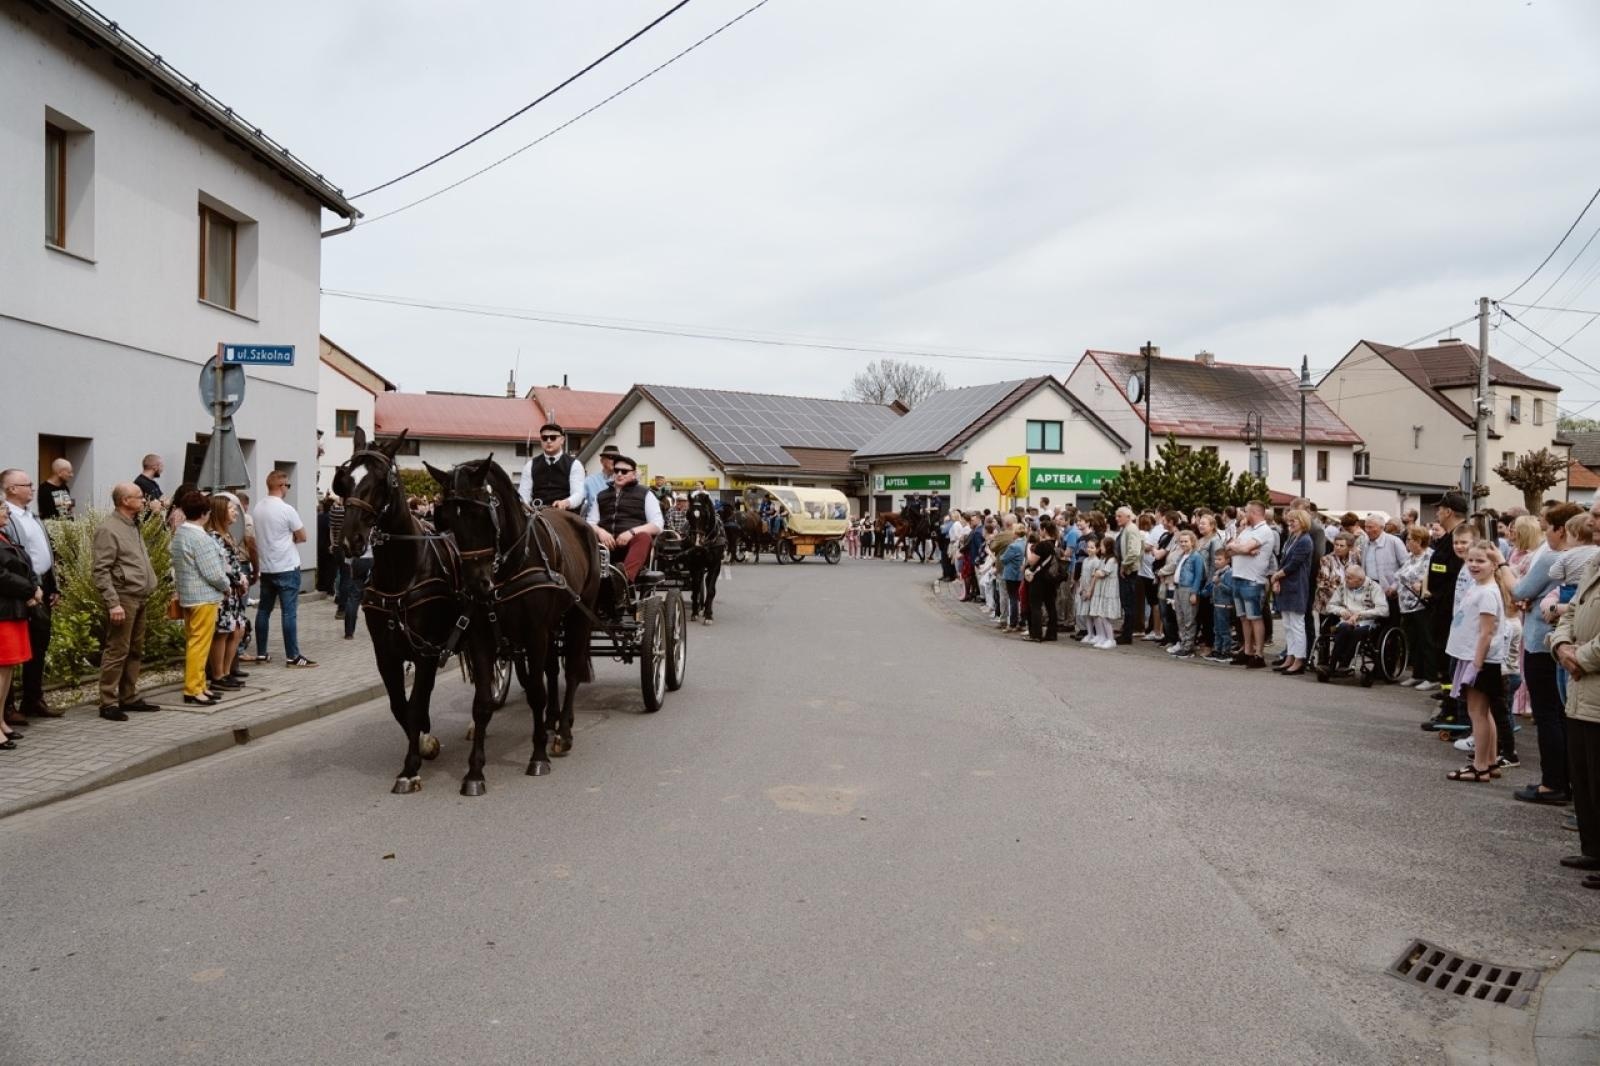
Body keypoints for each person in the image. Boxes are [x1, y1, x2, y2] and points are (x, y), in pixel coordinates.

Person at [1512, 502, 1582, 803]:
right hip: (1561, 639)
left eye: (1546, 527)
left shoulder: (1555, 557)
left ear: (1560, 529)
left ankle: (1552, 782)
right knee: (1560, 714)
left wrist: (1502, 567)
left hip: (1543, 641)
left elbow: (1520, 590)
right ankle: (1565, 779)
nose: (1544, 532)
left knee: (1547, 714)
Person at [1549, 532, 1600, 887]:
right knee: (1584, 778)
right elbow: (1571, 613)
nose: (1592, 524)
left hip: (1592, 681)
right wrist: (1562, 646)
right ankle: (1593, 848)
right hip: (1581, 689)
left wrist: (1579, 657)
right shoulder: (1594, 562)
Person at [91, 483, 162, 721]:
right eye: (139, 497)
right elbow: (101, 570)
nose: (143, 501)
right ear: (124, 501)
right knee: (117, 649)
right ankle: (108, 701)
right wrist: (113, 603)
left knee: (135, 649)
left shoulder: (132, 525)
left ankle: (128, 695)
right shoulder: (109, 529)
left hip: (139, 595)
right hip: (124, 597)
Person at [1444, 541, 1512, 783]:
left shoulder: (1488, 593)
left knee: (1477, 714)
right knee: (1484, 713)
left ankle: (1480, 766)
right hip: (1471, 656)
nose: (1473, 564)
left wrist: (1477, 664)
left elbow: (1486, 633)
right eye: (1470, 560)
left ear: (1494, 564)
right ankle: (1490, 761)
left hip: (1479, 660)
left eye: (1480, 561)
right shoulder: (1478, 586)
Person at [0, 469, 57, 720]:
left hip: (41, 585)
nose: (33, 488)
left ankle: (33, 699)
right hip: (22, 591)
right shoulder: (7, 519)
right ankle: (8, 707)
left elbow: (43, 552)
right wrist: (28, 590)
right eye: (28, 484)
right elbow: (13, 562)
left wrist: (52, 586)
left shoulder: (32, 516)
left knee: (39, 645)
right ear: (12, 488)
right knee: (12, 652)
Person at [171, 491, 231, 706]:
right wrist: (226, 587)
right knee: (199, 644)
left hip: (188, 596)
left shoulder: (180, 534)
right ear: (205, 514)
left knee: (194, 641)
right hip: (203, 597)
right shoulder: (200, 538)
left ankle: (200, 685)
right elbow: (213, 573)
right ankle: (193, 689)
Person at [251, 470, 315, 668]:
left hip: (267, 567)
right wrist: (291, 537)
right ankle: (293, 656)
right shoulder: (287, 509)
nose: (288, 489)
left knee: (263, 611)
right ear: (281, 486)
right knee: (289, 613)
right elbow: (303, 536)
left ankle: (261, 653)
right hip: (287, 566)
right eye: (288, 485)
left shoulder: (258, 508)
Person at [1423, 492, 1470, 726]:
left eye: (1439, 509)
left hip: (1451, 609)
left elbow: (1453, 574)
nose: (1437, 513)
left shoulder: (1461, 537)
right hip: (1441, 607)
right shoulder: (1448, 537)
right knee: (1443, 660)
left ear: (1449, 511)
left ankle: (1452, 710)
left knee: (1449, 660)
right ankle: (1448, 704)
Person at [0, 504, 42, 748]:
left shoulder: (6, 534)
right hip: (3, 613)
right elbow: (2, 576)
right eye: (3, 508)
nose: (7, 512)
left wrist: (35, 586)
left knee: (7, 671)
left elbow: (25, 564)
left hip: (13, 610)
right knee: (1, 670)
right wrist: (29, 589)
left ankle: (1, 721)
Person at [587, 455, 663, 583]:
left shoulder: (645, 494)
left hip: (632, 546)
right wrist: (601, 532)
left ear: (633, 474)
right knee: (585, 535)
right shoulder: (601, 495)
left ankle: (622, 581)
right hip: (605, 545)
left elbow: (657, 525)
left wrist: (631, 532)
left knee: (644, 537)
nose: (619, 474)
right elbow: (590, 522)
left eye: (624, 471)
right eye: (616, 470)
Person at [204, 496, 249, 692]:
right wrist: (238, 580)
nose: (236, 513)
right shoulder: (214, 537)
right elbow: (222, 567)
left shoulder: (226, 535)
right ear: (221, 511)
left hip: (233, 593)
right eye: (232, 509)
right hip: (223, 593)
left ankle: (226, 671)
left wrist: (242, 579)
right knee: (222, 634)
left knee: (236, 631)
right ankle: (218, 675)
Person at [1318, 564, 1389, 679]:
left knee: (1357, 632)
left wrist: (1360, 614)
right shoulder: (1343, 586)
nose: (1345, 580)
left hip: (1367, 623)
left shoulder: (1374, 587)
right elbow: (1330, 606)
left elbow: (1384, 610)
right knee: (1343, 628)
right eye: (1346, 577)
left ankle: (1344, 663)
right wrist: (1342, 611)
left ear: (1360, 580)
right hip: (1345, 622)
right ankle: (1332, 665)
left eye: (1349, 578)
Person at [1227, 500, 1275, 669]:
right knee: (1243, 618)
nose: (1243, 514)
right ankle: (1247, 650)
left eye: (1246, 511)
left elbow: (1245, 549)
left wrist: (1242, 548)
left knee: (1255, 617)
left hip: (1252, 579)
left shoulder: (1264, 531)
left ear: (1254, 512)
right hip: (1238, 576)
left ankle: (1259, 653)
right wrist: (1240, 547)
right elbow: (1230, 549)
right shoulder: (1247, 529)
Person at [1271, 510, 1314, 675]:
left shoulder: (1305, 540)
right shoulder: (1291, 538)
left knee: (1297, 625)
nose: (1291, 523)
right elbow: (1283, 560)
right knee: (1288, 625)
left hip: (1297, 585)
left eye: (1294, 520)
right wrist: (1278, 580)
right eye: (1289, 520)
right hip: (1286, 584)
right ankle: (1290, 656)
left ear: (1302, 521)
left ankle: (1299, 659)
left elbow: (1294, 564)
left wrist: (1276, 576)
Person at [1396, 527, 1435, 688]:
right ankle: (1417, 674)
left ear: (1419, 541)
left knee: (1426, 642)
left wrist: (1423, 585)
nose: (1407, 542)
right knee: (1414, 641)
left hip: (1421, 605)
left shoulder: (1430, 556)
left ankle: (1431, 677)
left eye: (1409, 539)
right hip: (1407, 605)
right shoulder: (1411, 557)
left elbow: (1432, 577)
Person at [519, 423, 584, 511]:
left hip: (565, 514)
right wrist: (525, 507)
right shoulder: (530, 465)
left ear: (562, 440)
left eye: (553, 437)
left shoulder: (575, 464)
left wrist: (566, 502)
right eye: (544, 438)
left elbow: (578, 494)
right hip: (537, 513)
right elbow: (523, 494)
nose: (549, 441)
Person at [1081, 535, 1122, 649]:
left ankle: (1110, 638)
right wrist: (1097, 572)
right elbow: (1098, 571)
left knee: (1104, 616)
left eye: (1103, 546)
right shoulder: (1104, 559)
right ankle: (1102, 636)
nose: (1101, 548)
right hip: (1102, 588)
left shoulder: (1112, 560)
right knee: (1099, 615)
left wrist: (1097, 572)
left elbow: (1103, 572)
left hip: (1109, 590)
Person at [1024, 520, 1059, 642]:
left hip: (1039, 578)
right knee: (1051, 606)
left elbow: (1032, 561)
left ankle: (1036, 634)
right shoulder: (1055, 543)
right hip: (1051, 579)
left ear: (1044, 530)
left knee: (1036, 606)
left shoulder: (1042, 545)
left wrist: (1029, 550)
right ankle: (1052, 633)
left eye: (1041, 529)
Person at [1173, 530, 1204, 658]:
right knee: (1180, 618)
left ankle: (1188, 647)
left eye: (1186, 541)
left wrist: (1194, 592)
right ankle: (1183, 642)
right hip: (1178, 588)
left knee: (1189, 619)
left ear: (1192, 542)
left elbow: (1198, 576)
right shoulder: (1182, 555)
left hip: (1188, 589)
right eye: (1181, 541)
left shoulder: (1196, 556)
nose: (1183, 544)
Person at [1114, 507, 1142, 645]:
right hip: (1125, 570)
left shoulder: (1131, 530)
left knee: (1129, 603)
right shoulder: (1126, 529)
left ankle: (1127, 635)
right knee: (1126, 603)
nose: (1117, 518)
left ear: (1128, 517)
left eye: (1120, 516)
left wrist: (1124, 565)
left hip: (1129, 571)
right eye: (1116, 516)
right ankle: (1126, 632)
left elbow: (1134, 552)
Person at [582, 448, 618, 517]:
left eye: (617, 458)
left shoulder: (623, 481)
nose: (615, 461)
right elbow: (579, 500)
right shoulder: (589, 481)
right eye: (611, 458)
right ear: (602, 461)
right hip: (594, 522)